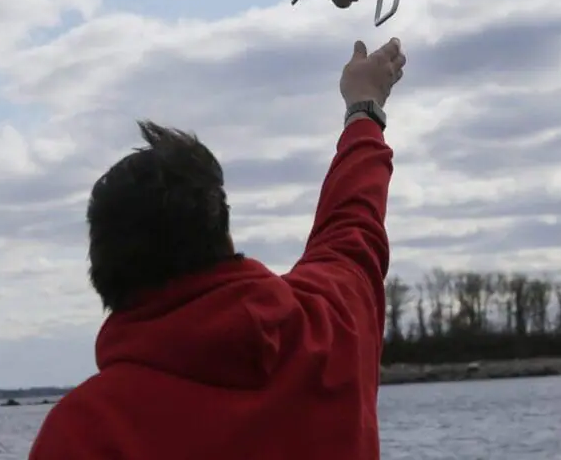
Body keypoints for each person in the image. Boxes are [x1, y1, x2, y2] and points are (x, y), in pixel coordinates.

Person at [29, 38, 406, 460]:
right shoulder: (330, 329)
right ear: (223, 237)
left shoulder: (84, 431)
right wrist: (364, 108)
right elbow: (353, 224)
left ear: (103, 274)